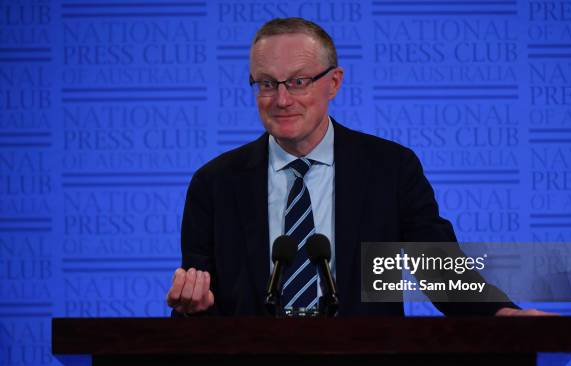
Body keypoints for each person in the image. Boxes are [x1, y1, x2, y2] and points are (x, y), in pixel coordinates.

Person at [166, 17, 549, 318]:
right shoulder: (214, 183)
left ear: (334, 82)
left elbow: (437, 268)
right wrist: (195, 309)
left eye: (298, 81)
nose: (281, 99)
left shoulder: (390, 169)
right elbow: (200, 300)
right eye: (266, 84)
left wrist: (500, 311)